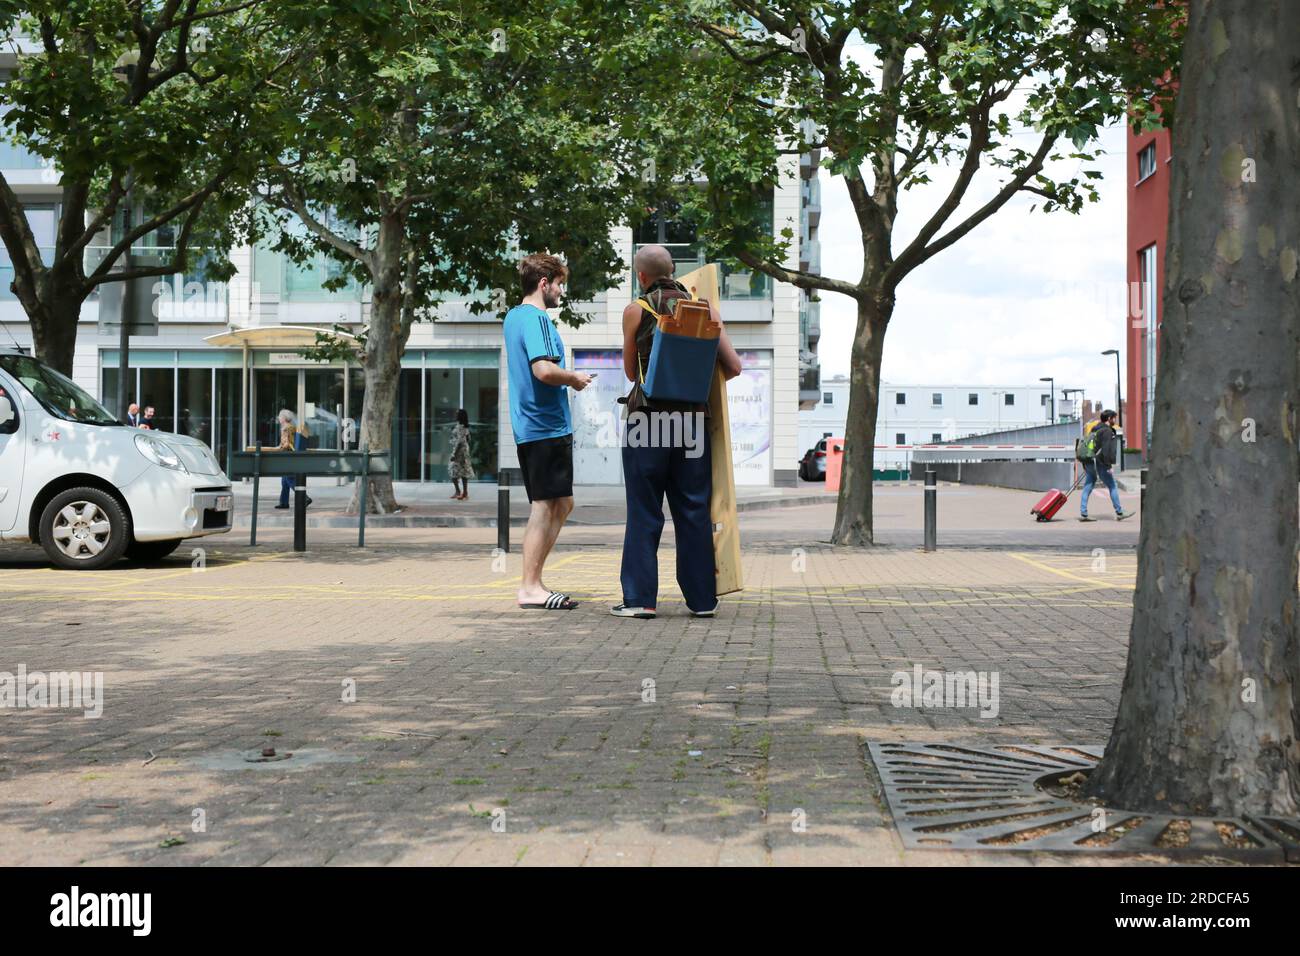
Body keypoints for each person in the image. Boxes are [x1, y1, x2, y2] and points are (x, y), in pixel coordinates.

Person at [611, 244, 742, 620]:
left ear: (641, 276)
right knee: (693, 511)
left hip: (647, 422)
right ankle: (703, 601)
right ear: (674, 270)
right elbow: (733, 367)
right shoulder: (707, 312)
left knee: (644, 512)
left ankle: (640, 601)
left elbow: (633, 374)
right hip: (692, 425)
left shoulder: (636, 310)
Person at [503, 252, 591, 610]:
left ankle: (534, 582)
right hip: (544, 426)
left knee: (561, 503)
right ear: (545, 284)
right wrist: (575, 378)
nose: (560, 293)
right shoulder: (538, 320)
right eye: (559, 285)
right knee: (544, 506)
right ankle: (530, 586)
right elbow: (543, 370)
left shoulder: (513, 317)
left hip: (535, 426)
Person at [1079, 409, 1132, 522]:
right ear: (1109, 419)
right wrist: (1108, 466)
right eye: (1114, 418)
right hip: (1100, 462)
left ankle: (1083, 513)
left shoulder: (1094, 429)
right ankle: (1120, 512)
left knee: (1089, 484)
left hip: (1089, 460)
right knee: (1112, 485)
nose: (1115, 420)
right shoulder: (1107, 431)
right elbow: (1106, 450)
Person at [273, 409, 313, 510]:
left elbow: (286, 444)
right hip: (291, 455)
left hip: (287, 456)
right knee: (284, 480)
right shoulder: (292, 427)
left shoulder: (285, 428)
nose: (279, 418)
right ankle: (284, 502)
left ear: (283, 418)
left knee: (288, 478)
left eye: (280, 416)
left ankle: (305, 498)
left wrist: (277, 449)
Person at [448, 408, 474, 500]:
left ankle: (459, 491)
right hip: (464, 451)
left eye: (456, 414)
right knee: (463, 472)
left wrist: (454, 454)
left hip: (459, 452)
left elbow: (460, 441)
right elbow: (468, 439)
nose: (455, 416)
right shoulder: (465, 426)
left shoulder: (460, 427)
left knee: (452, 470)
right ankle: (464, 492)